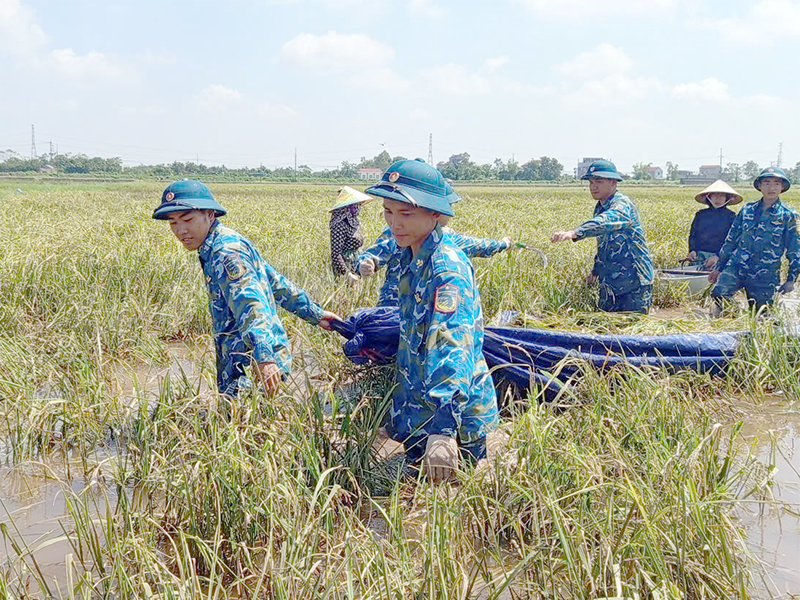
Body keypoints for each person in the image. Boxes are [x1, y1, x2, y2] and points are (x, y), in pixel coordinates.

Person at [364, 159, 499, 483]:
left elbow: (453, 345)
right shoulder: (411, 254)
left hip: (453, 415)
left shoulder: (446, 270)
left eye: (406, 214)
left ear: (435, 214)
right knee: (415, 496)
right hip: (417, 405)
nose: (395, 223)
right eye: (388, 212)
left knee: (452, 503)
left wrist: (443, 429)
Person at [152, 179, 339, 397]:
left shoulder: (225, 252)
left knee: (246, 425)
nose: (181, 230)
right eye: (173, 223)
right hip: (252, 358)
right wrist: (315, 314)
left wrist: (264, 358)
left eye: (187, 219)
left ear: (210, 214)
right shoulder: (223, 242)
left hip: (250, 364)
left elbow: (251, 306)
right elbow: (275, 282)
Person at [551, 159, 655, 313]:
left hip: (634, 281)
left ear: (613, 182)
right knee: (608, 327)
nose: (593, 187)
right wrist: (596, 272)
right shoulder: (600, 207)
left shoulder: (622, 204)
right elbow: (603, 245)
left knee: (633, 328)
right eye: (591, 182)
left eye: (598, 181)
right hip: (610, 281)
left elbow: (606, 221)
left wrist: (575, 232)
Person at [354, 212, 513, 307]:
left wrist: (503, 244)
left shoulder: (447, 236)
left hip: (421, 309)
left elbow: (479, 245)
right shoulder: (395, 231)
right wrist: (365, 263)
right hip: (393, 304)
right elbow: (376, 253)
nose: (450, 213)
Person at [708, 167, 800, 314]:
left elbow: (794, 249)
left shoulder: (788, 215)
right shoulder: (747, 210)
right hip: (737, 266)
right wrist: (719, 267)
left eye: (776, 183)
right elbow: (731, 241)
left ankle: (752, 329)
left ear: (782, 187)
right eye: (767, 183)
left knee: (762, 314)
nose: (771, 187)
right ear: (759, 186)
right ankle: (734, 320)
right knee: (719, 293)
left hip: (765, 273)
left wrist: (791, 279)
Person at [684, 180, 742, 269]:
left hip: (721, 258)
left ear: (727, 198)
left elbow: (733, 241)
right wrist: (692, 250)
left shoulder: (732, 217)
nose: (718, 197)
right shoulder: (701, 214)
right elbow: (693, 235)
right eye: (715, 194)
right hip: (699, 256)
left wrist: (719, 256)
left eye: (721, 195)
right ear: (709, 197)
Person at [329, 186, 369, 277]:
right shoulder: (339, 224)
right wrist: (347, 274)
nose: (358, 208)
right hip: (346, 266)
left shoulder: (353, 222)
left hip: (356, 264)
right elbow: (336, 253)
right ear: (347, 207)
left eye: (359, 205)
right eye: (356, 205)